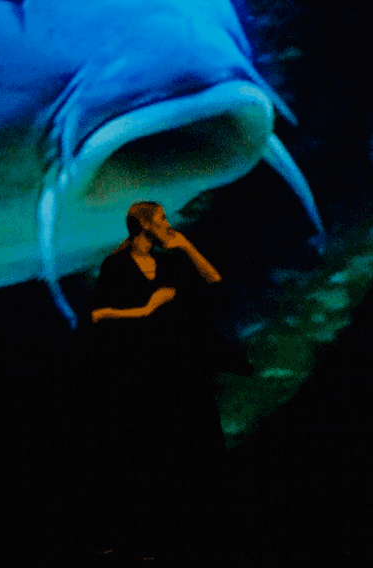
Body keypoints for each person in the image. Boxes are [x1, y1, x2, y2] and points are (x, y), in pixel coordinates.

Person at [85, 201, 251, 554]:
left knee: (202, 444)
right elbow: (97, 315)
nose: (168, 225)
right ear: (145, 227)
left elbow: (214, 281)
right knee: (151, 455)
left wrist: (188, 246)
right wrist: (146, 310)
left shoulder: (171, 261)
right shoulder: (116, 266)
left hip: (183, 368)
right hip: (144, 373)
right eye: (161, 221)